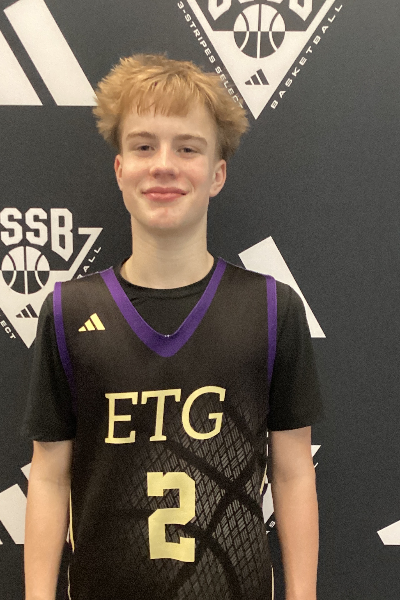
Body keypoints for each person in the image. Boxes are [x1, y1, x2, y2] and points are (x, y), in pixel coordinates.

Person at [23, 53, 323, 600]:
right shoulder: (68, 312)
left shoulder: (270, 309)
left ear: (217, 174)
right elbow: (47, 475)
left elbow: (294, 471)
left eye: (187, 148)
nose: (164, 165)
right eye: (144, 146)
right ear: (120, 170)